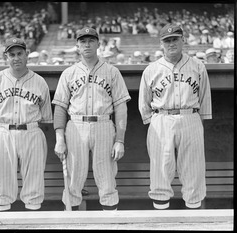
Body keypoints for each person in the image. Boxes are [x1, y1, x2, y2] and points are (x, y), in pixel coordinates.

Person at [52, 27, 131, 211]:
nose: (87, 44)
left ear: (98, 43)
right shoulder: (69, 73)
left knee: (107, 179)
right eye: (83, 41)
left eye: (90, 41)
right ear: (77, 45)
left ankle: (111, 221)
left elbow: (121, 107)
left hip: (104, 123)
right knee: (73, 179)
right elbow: (60, 108)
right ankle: (71, 222)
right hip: (76, 125)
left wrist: (120, 140)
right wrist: (59, 138)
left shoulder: (112, 72)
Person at [138, 23, 212, 210]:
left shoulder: (197, 66)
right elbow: (144, 102)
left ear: (183, 40)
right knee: (160, 168)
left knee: (194, 169)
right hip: (161, 118)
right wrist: (154, 121)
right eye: (167, 40)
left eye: (175, 39)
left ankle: (195, 219)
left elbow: (204, 97)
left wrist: (196, 121)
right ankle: (161, 219)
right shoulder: (152, 69)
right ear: (161, 44)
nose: (171, 43)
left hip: (190, 117)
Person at [0, 37, 53, 212]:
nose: (16, 57)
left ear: (26, 55)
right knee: (2, 182)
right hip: (4, 131)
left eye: (19, 53)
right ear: (6, 57)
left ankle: (33, 218)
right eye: (12, 54)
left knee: (34, 182)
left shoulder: (39, 82)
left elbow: (46, 116)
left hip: (31, 131)